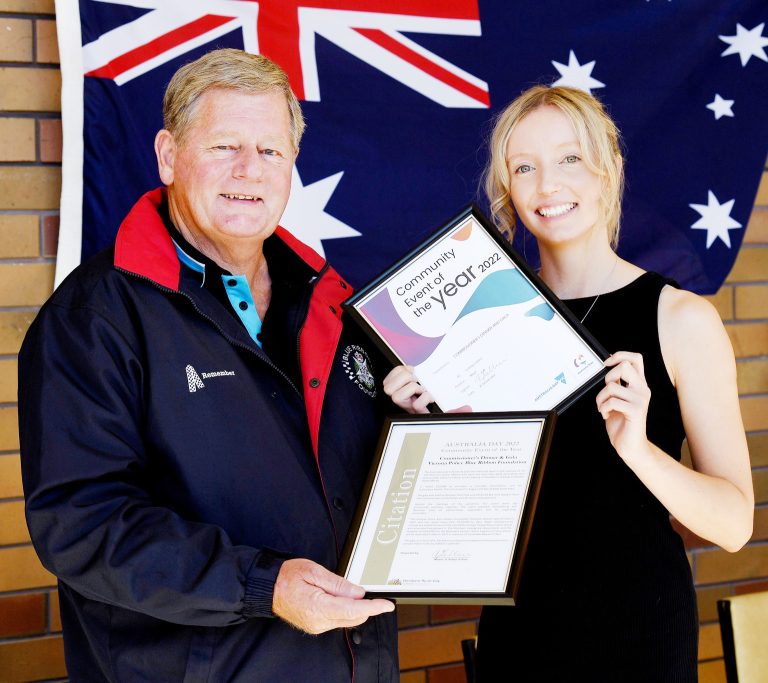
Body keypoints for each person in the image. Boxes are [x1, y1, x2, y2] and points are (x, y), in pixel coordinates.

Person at [18, 48, 398, 682]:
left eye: (271, 152)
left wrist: (409, 421)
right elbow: (82, 525)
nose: (249, 170)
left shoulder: (338, 303)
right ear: (169, 155)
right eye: (224, 147)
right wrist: (264, 587)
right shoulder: (94, 318)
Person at [383, 85, 753, 681]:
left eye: (569, 159)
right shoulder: (476, 323)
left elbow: (735, 526)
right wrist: (421, 431)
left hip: (639, 637)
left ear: (609, 170)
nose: (547, 185)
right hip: (518, 635)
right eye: (524, 167)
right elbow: (463, 525)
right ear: (508, 190)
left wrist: (639, 452)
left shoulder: (681, 319)